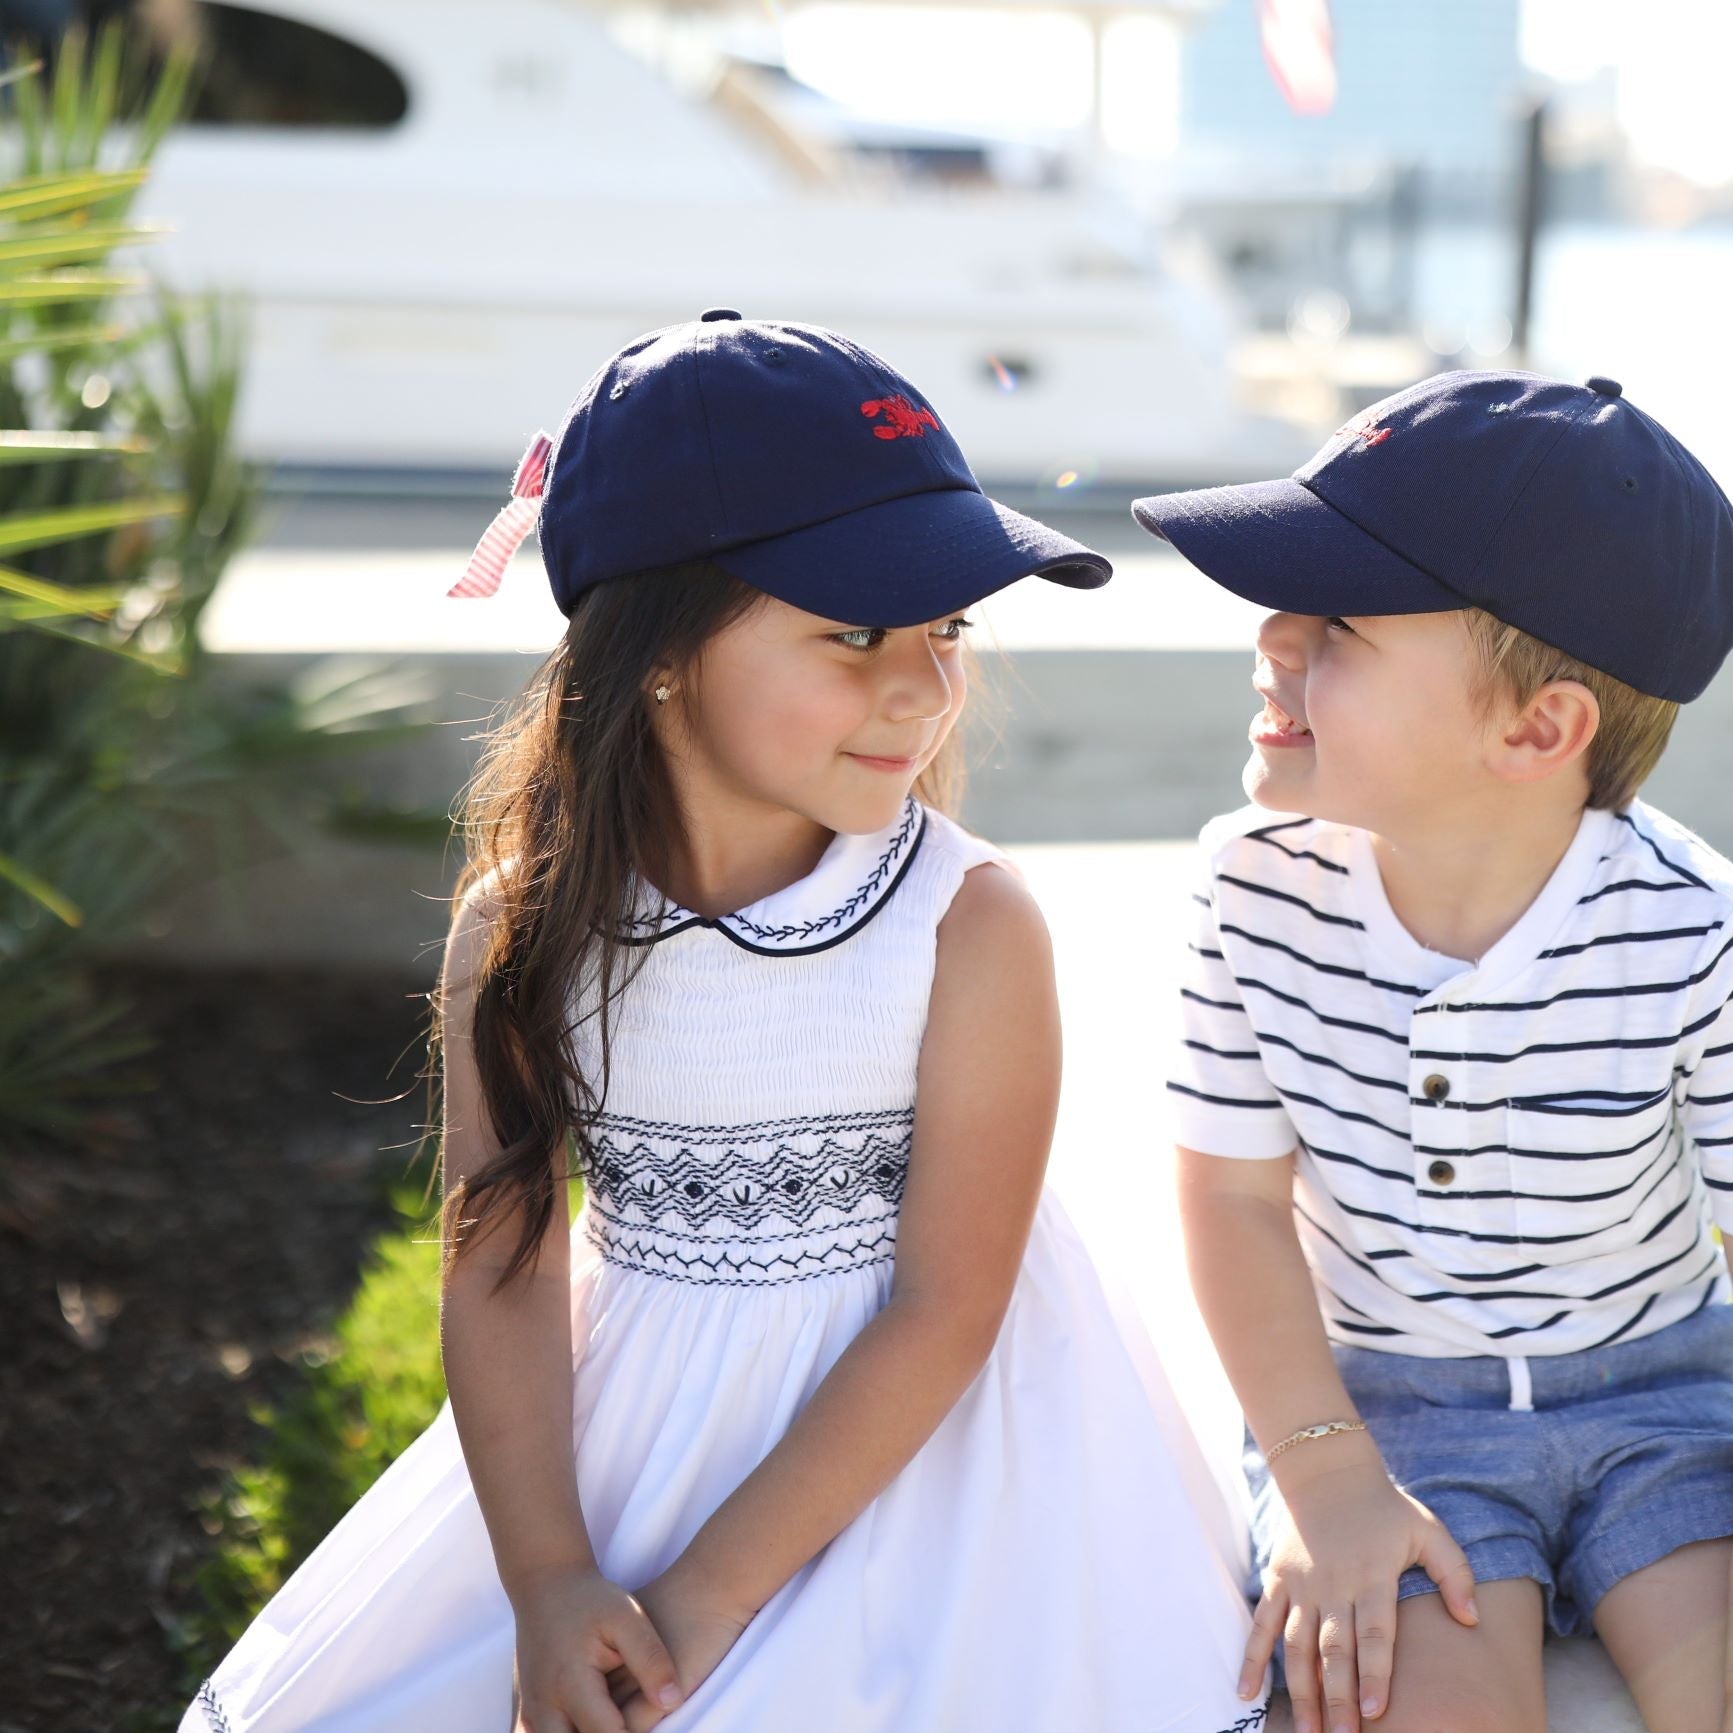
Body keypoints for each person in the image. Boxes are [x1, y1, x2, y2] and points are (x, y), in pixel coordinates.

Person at [183, 311, 1266, 1733]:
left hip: (939, 1469)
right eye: (854, 629)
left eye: (945, 627)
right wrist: (553, 1578)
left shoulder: (966, 929)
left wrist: (701, 1599)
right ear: (661, 650)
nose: (923, 684)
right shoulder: (520, 931)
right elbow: (500, 1264)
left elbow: (949, 1308)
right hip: (632, 1446)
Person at [1133, 370, 1733, 1733]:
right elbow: (1235, 1198)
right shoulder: (1251, 889)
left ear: (1537, 728)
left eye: (1336, 621)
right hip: (1393, 1421)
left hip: (1664, 1403)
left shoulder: (1700, 929)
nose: (1271, 634)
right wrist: (1328, 1482)